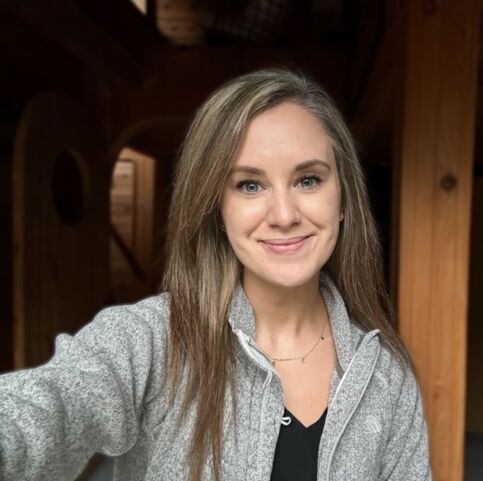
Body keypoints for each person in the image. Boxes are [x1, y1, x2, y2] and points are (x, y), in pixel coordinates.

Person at [0, 68, 431, 481]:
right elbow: (49, 405)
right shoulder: (153, 341)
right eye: (249, 185)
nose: (284, 215)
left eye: (307, 180)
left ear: (343, 200)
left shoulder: (387, 377)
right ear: (217, 210)